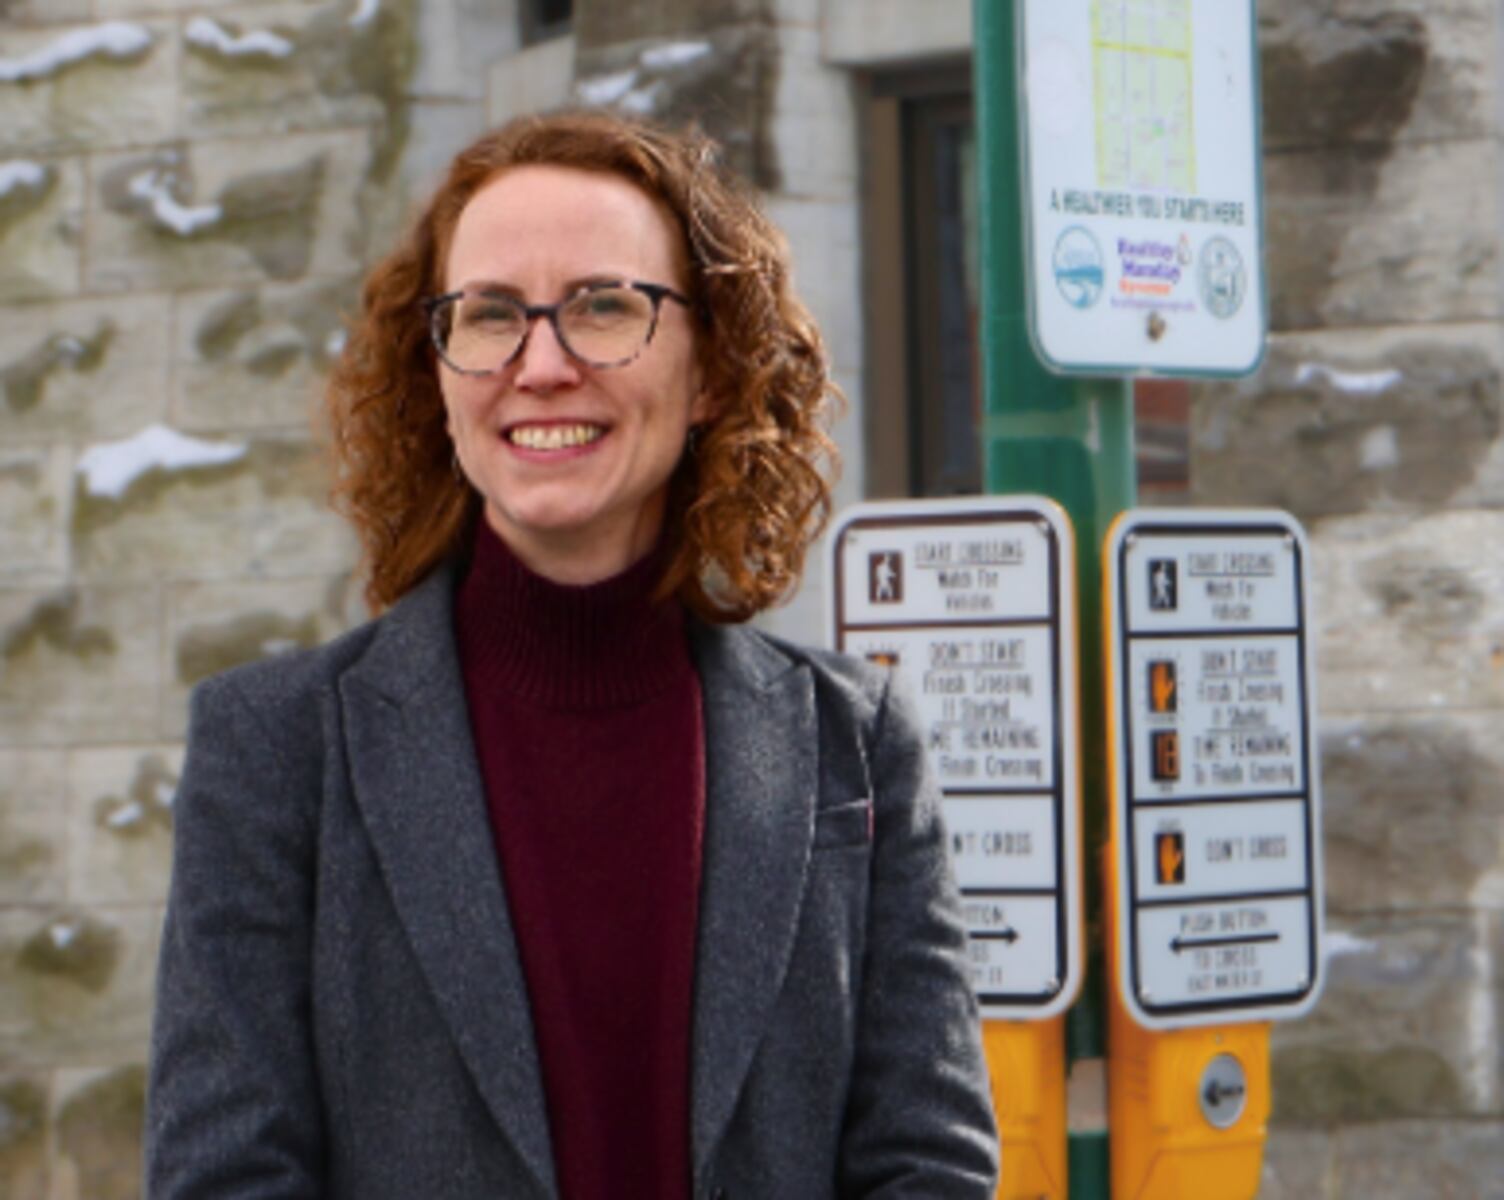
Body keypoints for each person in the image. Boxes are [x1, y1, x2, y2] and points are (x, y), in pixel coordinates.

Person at [145, 109, 998, 1199]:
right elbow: (225, 1176)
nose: (540, 365)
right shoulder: (275, 751)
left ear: (711, 369)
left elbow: (926, 1164)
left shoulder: (857, 745)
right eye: (490, 315)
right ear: (437, 373)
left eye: (603, 306)